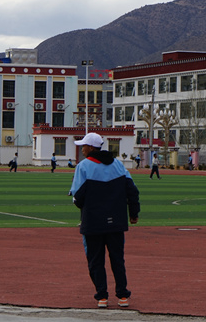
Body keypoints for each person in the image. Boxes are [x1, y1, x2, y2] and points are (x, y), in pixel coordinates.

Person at [69, 132, 140, 309]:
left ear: (91, 148)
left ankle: (102, 296)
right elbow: (132, 191)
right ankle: (122, 296)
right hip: (116, 222)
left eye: (84, 146)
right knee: (118, 259)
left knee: (95, 261)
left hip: (93, 222)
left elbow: (77, 198)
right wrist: (133, 213)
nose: (82, 149)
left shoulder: (83, 166)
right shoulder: (118, 164)